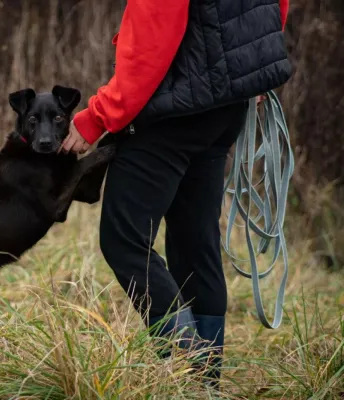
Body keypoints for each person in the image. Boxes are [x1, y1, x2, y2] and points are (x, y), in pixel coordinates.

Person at [61, 0, 291, 387]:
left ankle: (186, 377)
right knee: (194, 242)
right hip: (224, 104)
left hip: (174, 106)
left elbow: (152, 41)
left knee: (125, 241)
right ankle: (204, 385)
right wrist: (252, 69)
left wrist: (96, 118)